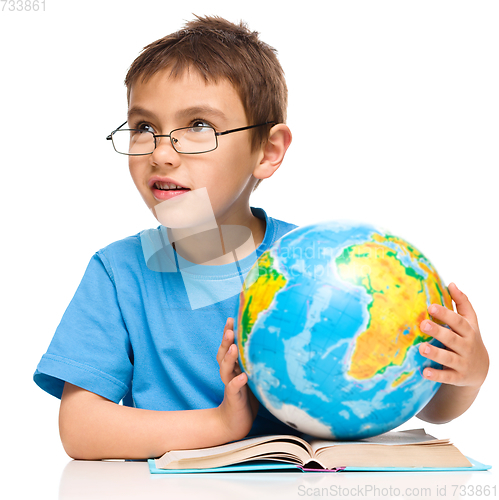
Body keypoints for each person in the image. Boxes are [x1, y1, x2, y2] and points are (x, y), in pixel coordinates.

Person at [33, 15, 489, 460]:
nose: (162, 152)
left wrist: (468, 372)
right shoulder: (119, 273)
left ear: (268, 151)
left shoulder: (321, 264)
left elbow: (425, 400)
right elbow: (80, 430)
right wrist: (218, 425)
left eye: (199, 127)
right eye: (144, 128)